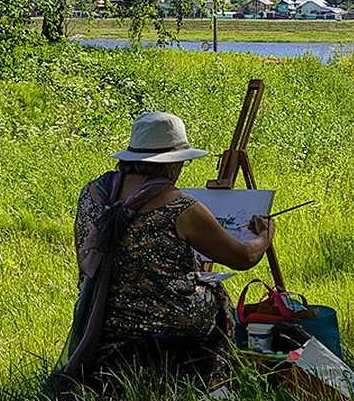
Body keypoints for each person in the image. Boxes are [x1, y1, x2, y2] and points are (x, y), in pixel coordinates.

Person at [59, 111, 274, 384]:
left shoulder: (92, 193)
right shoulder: (178, 206)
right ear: (172, 165)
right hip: (163, 325)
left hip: (100, 320)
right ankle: (212, 378)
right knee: (215, 294)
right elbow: (243, 257)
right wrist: (264, 236)